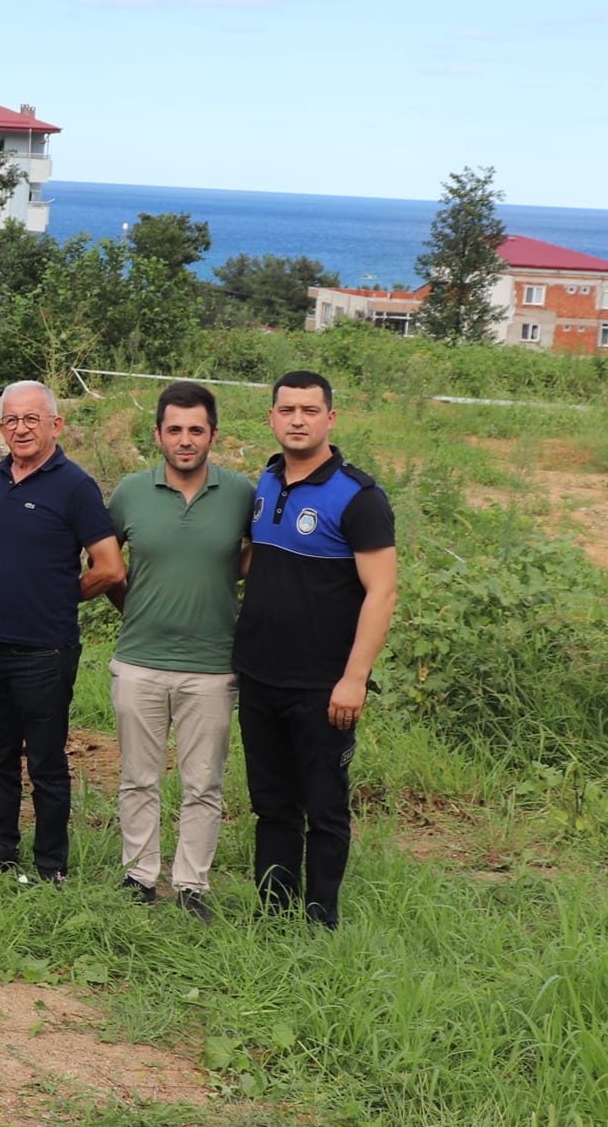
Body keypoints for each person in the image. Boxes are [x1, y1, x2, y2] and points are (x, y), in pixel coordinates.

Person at [232, 370, 397, 929]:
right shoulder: (267, 480)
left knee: (324, 807)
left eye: (309, 410)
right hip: (258, 675)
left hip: (323, 685)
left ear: (331, 417)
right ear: (271, 418)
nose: (297, 420)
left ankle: (320, 918)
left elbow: (382, 592)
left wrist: (355, 677)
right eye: (287, 410)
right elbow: (256, 559)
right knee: (271, 803)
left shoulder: (359, 496)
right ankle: (274, 915)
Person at [104, 381, 251, 919]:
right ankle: (140, 875)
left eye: (196, 430)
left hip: (212, 666)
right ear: (158, 434)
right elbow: (106, 563)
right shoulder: (130, 492)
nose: (185, 440)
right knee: (138, 777)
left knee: (203, 783)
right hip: (139, 660)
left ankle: (192, 885)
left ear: (213, 434)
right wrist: (134, 604)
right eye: (174, 430)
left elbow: (261, 559)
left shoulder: (241, 494)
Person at [0, 381, 123, 884]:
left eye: (31, 419)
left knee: (47, 763)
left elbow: (110, 567)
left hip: (44, 649)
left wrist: (64, 594)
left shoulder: (74, 485)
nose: (20, 429)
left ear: (55, 425)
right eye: (11, 420)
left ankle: (51, 863)